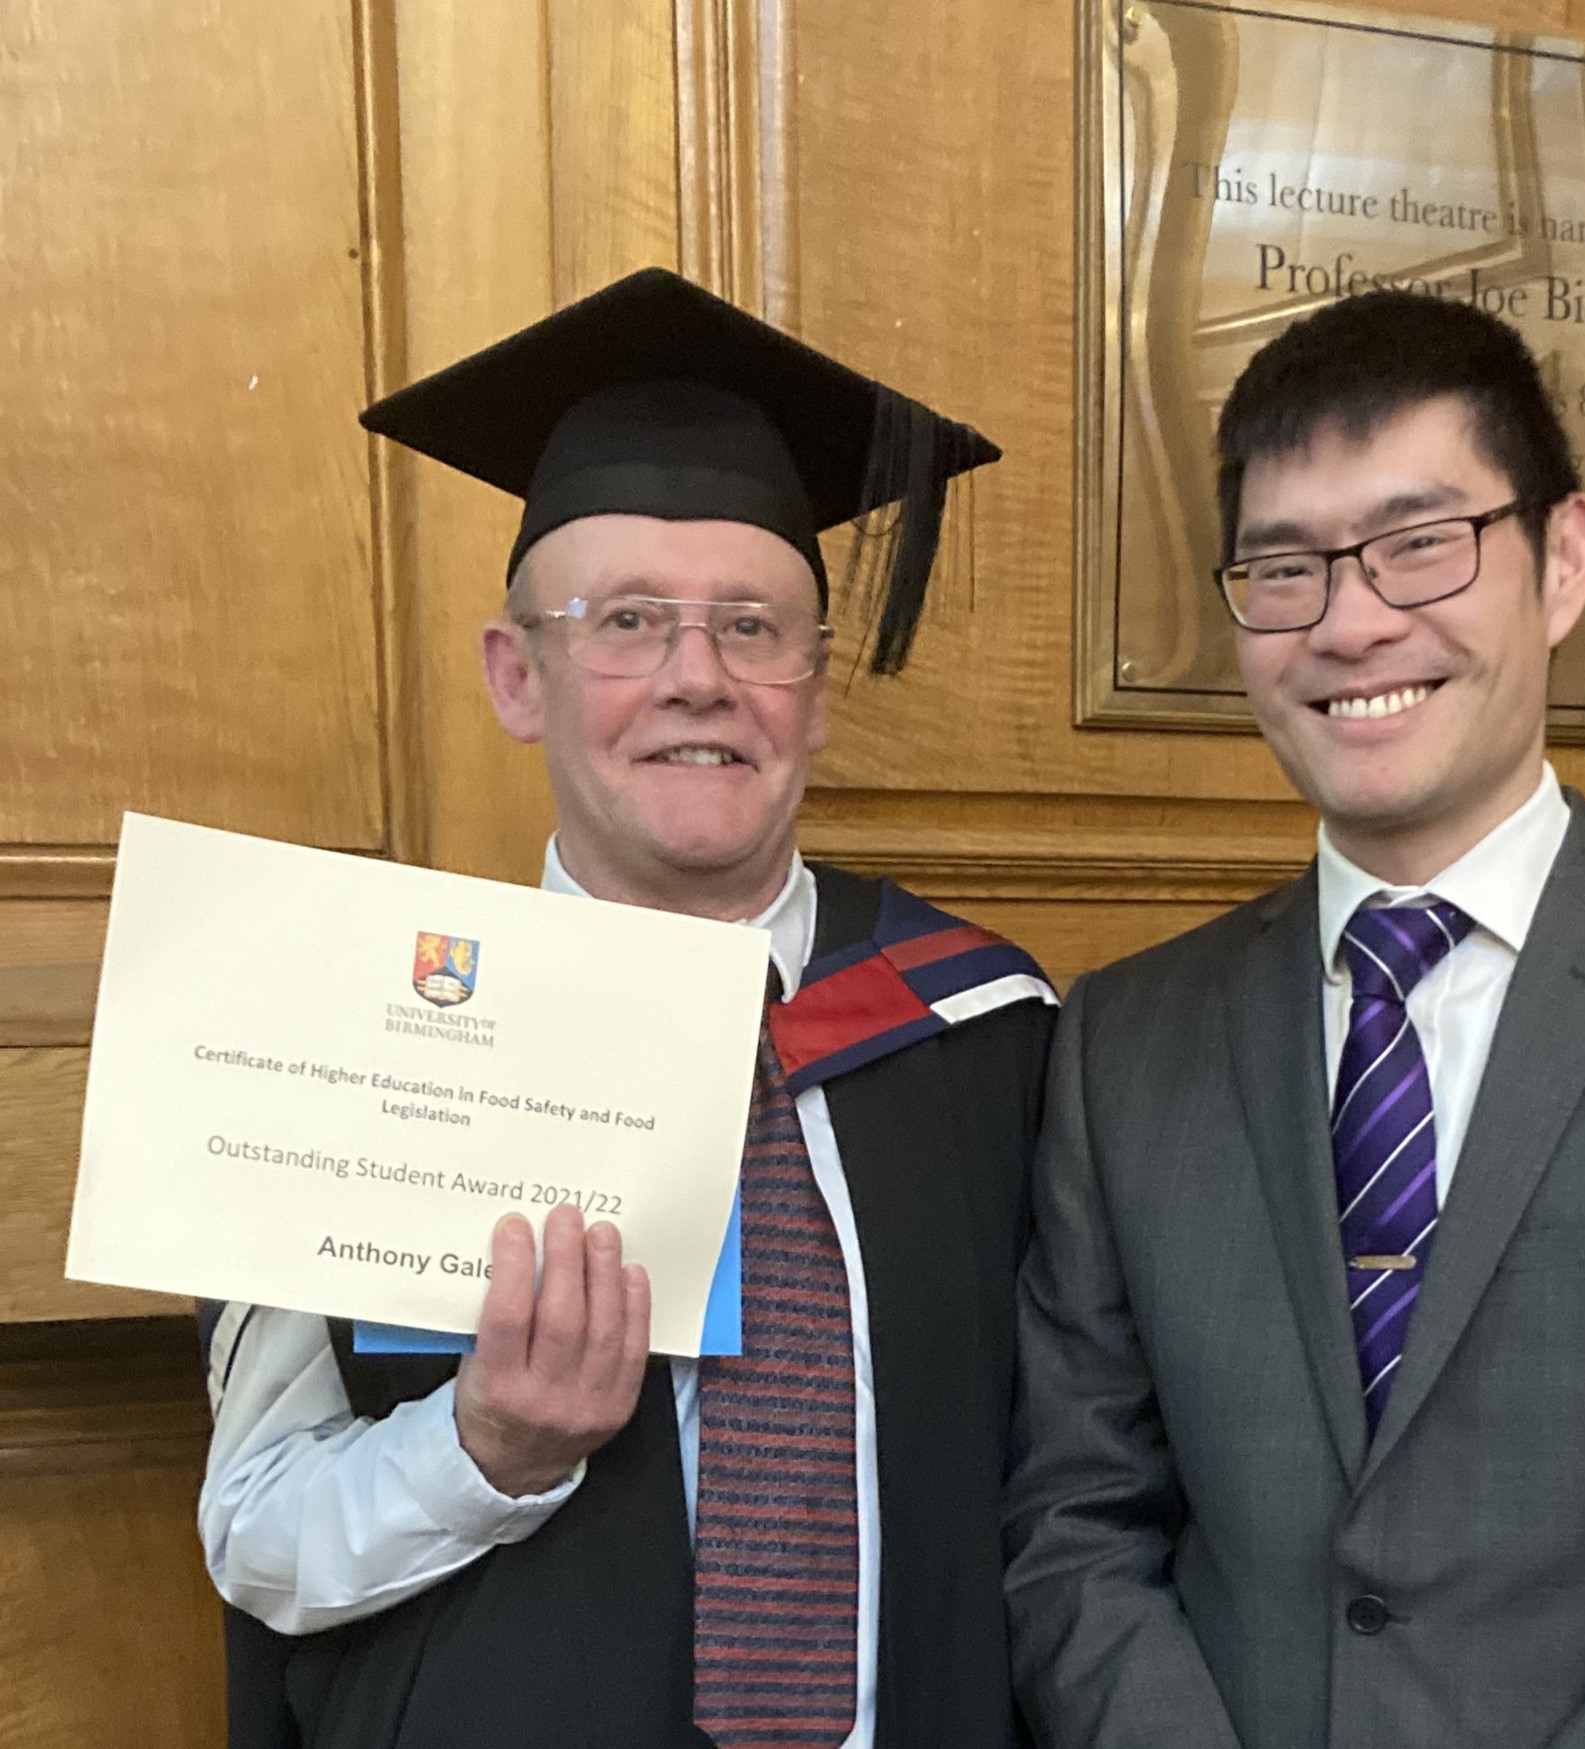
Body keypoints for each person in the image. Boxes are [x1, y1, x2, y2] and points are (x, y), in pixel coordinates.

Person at [1004, 289, 1585, 1749]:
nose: (1352, 620)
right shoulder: (1124, 1040)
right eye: (1284, 566)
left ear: (1561, 559)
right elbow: (1073, 1518)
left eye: (1421, 542)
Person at [198, 268, 1057, 1749]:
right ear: (514, 676)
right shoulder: (358, 1043)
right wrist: (485, 1449)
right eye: (627, 620)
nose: (696, 677)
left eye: (753, 626)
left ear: (816, 687)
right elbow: (258, 1537)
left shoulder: (991, 1034)